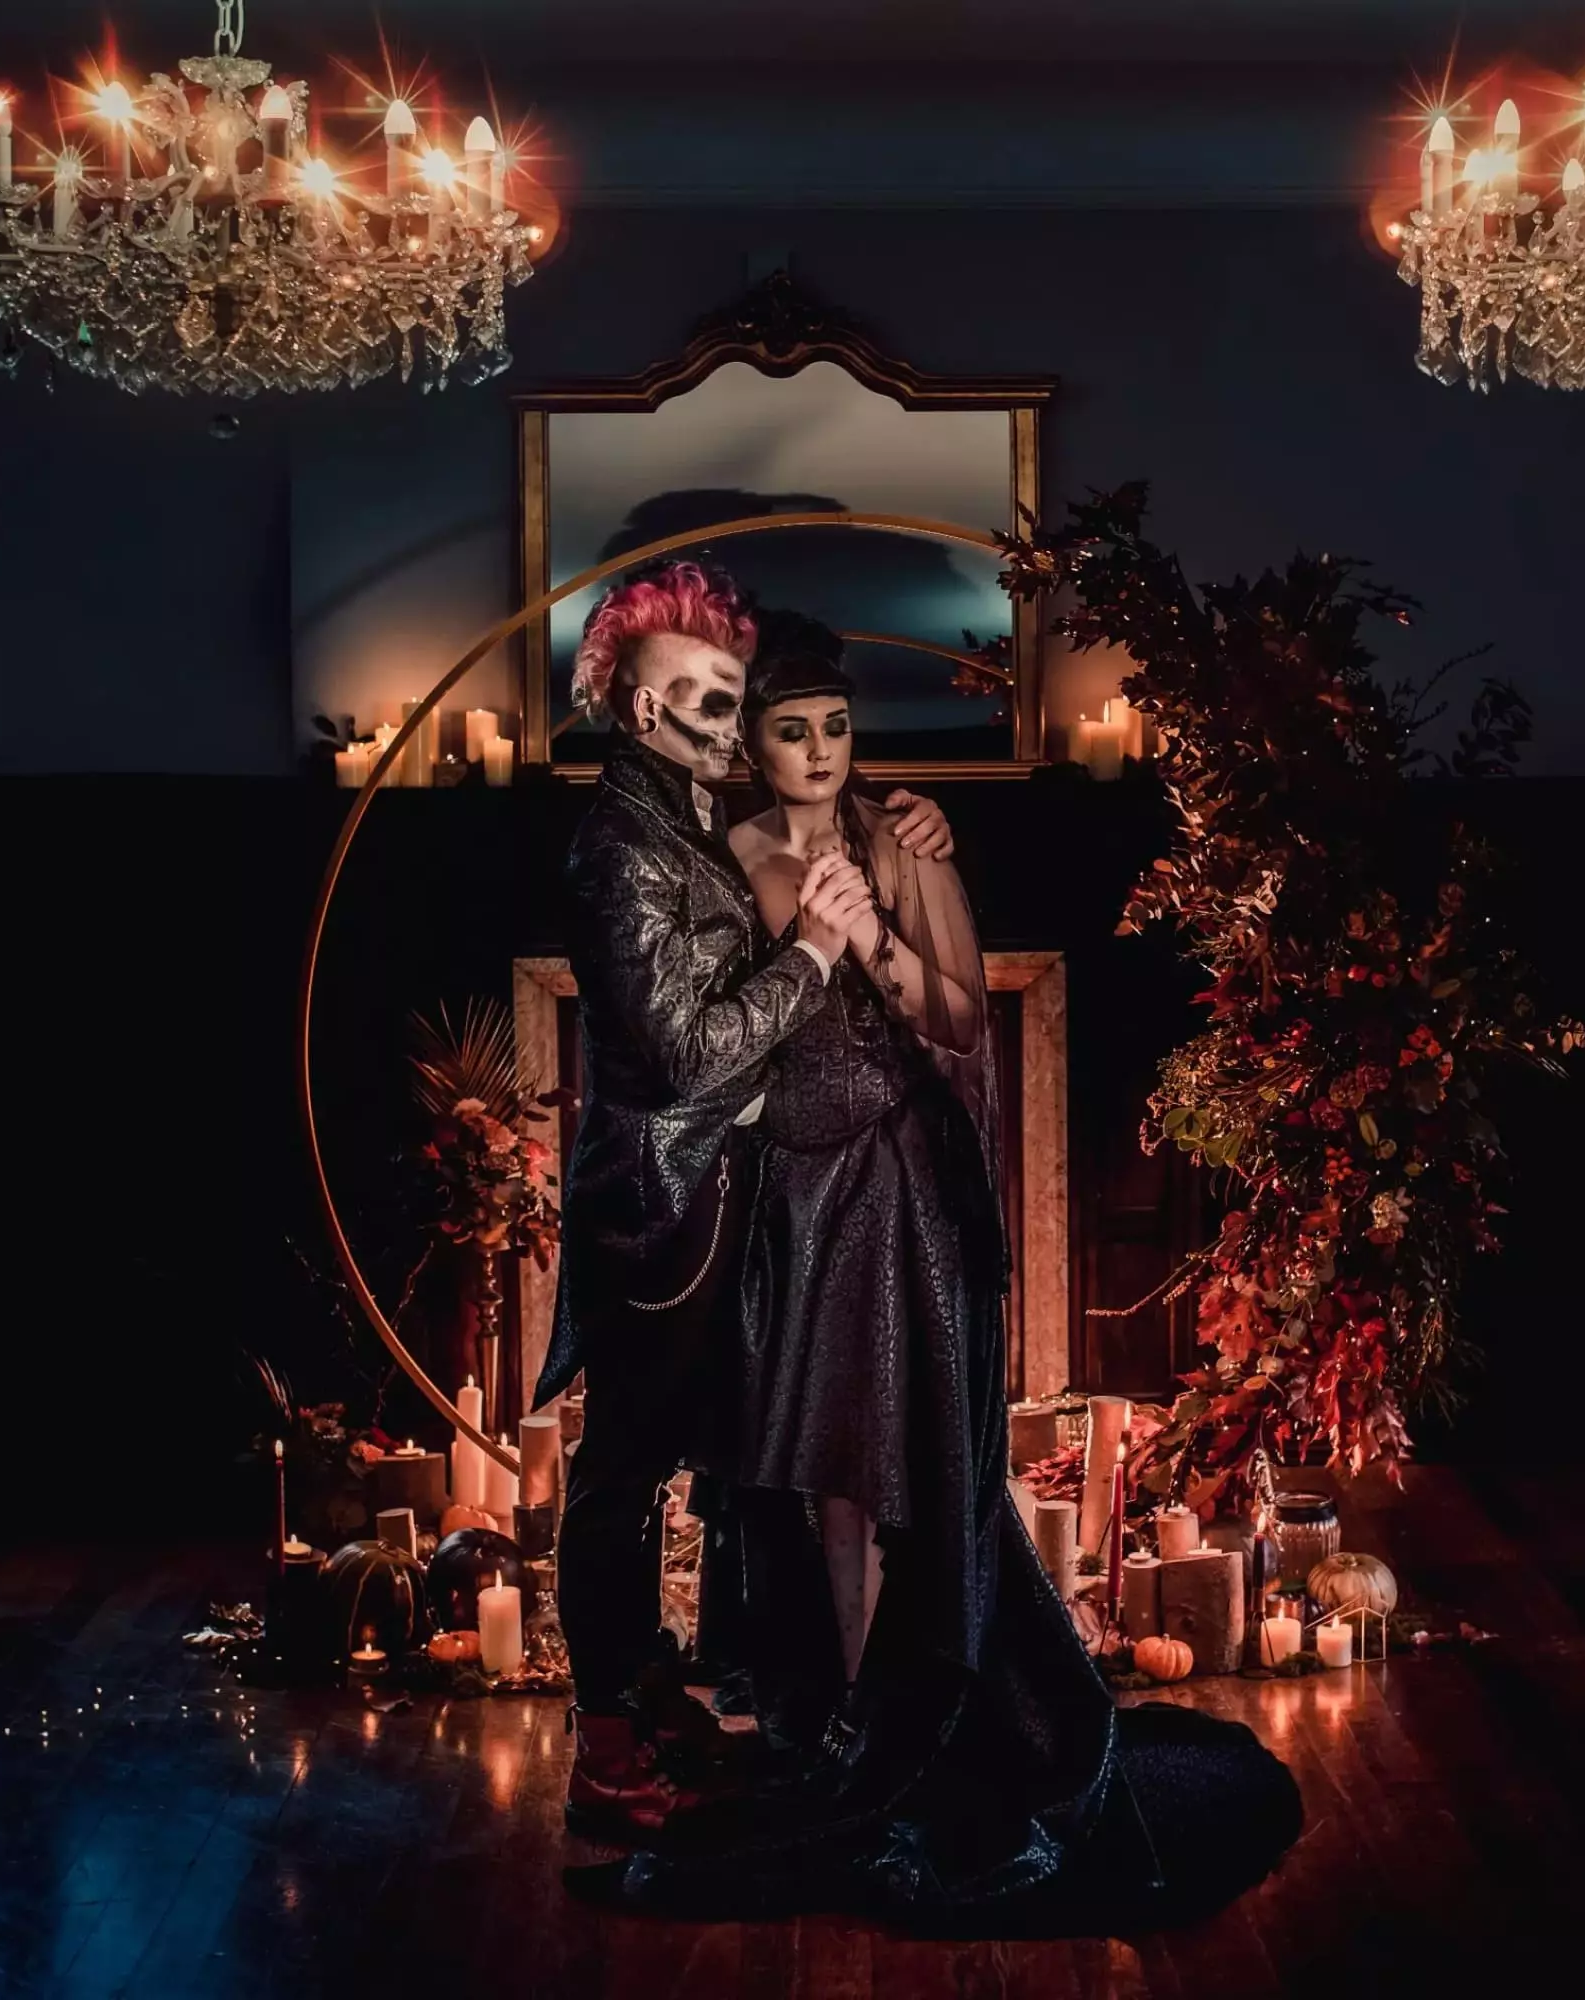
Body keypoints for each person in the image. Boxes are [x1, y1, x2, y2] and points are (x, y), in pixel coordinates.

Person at [699, 607, 1144, 1907]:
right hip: (788, 1189)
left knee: (898, 1459)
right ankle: (843, 1720)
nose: (823, 751)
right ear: (752, 746)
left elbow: (958, 1014)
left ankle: (921, 1716)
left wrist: (874, 935)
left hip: (894, 1194)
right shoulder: (721, 860)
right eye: (794, 732)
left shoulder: (904, 840)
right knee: (819, 1471)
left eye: (837, 726)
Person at [538, 562, 953, 1839]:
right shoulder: (620, 845)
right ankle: (609, 1745)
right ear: (643, 712)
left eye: (738, 699)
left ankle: (681, 1696)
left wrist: (905, 831)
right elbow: (686, 1053)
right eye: (707, 701)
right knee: (620, 1479)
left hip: (721, 1202)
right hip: (661, 1216)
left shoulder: (679, 819)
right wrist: (821, 949)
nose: (732, 723)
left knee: (706, 1466)